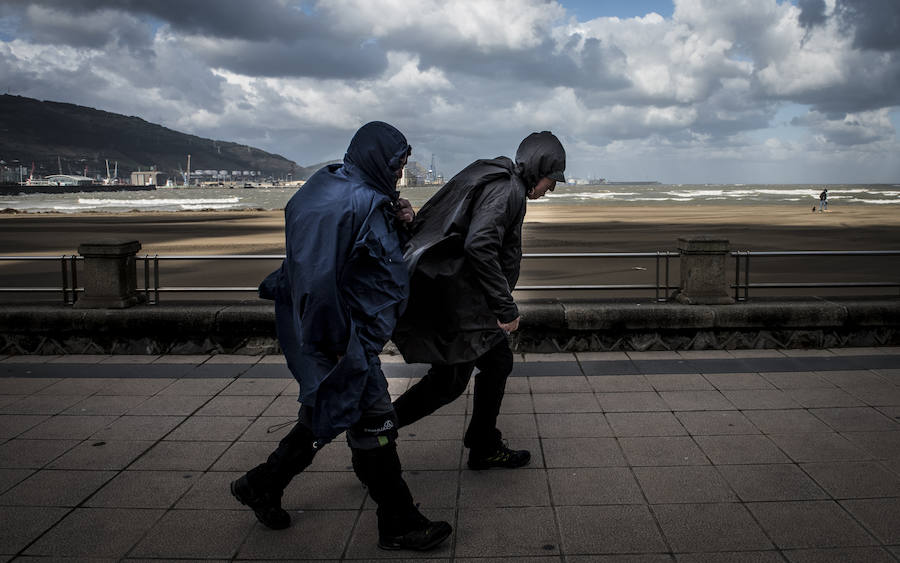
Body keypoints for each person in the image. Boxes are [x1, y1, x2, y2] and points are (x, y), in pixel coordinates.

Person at [230, 121, 452, 552]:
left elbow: (369, 254)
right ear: (374, 158)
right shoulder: (343, 203)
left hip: (351, 333)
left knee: (325, 412)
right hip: (341, 337)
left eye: (403, 165)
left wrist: (402, 220)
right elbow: (315, 278)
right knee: (375, 421)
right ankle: (399, 521)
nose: (400, 174)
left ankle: (263, 483)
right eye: (396, 164)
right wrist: (339, 349)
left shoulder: (349, 190)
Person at [391, 131, 566, 470]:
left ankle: (483, 442)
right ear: (538, 168)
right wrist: (505, 307)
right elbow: (480, 244)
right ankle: (377, 432)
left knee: (496, 363)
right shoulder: (508, 190)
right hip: (466, 307)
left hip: (467, 302)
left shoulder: (498, 178)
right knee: (447, 384)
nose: (552, 188)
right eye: (552, 179)